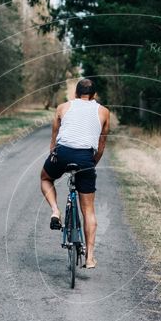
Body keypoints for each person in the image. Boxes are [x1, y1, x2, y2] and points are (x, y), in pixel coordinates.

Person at [41, 78, 110, 269]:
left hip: (62, 153)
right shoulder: (103, 111)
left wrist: (54, 155)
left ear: (75, 94)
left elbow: (54, 136)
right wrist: (91, 163)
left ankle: (55, 210)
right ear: (94, 95)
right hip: (86, 158)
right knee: (88, 209)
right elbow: (101, 145)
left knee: (45, 178)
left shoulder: (63, 107)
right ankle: (90, 258)